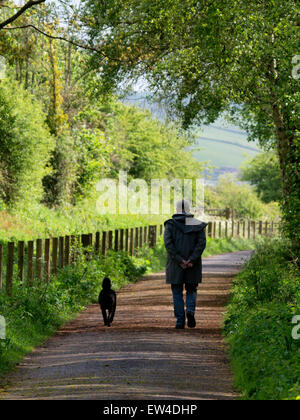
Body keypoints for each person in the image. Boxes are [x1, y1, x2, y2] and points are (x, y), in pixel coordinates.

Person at [164, 200, 207, 329]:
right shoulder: (197, 225)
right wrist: (191, 260)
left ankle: (180, 321)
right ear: (189, 209)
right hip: (192, 265)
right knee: (191, 289)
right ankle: (190, 311)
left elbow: (168, 244)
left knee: (176, 292)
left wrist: (179, 260)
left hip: (175, 265)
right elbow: (201, 244)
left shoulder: (170, 225)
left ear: (177, 209)